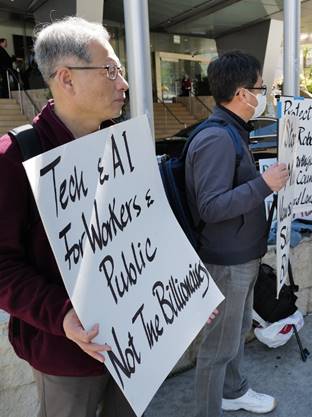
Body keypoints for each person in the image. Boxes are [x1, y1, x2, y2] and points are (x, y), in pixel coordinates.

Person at [0, 17, 136, 417]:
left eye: (121, 71)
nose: (122, 83)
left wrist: (183, 287)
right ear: (66, 78)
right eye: (110, 70)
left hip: (135, 340)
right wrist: (62, 317)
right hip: (66, 355)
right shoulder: (14, 157)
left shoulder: (120, 146)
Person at [185, 51, 288, 417]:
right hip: (225, 260)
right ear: (243, 93)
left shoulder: (230, 131)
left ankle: (233, 391)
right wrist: (264, 184)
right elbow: (211, 207)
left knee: (237, 330)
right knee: (218, 347)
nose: (264, 94)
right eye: (261, 87)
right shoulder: (216, 138)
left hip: (240, 254)